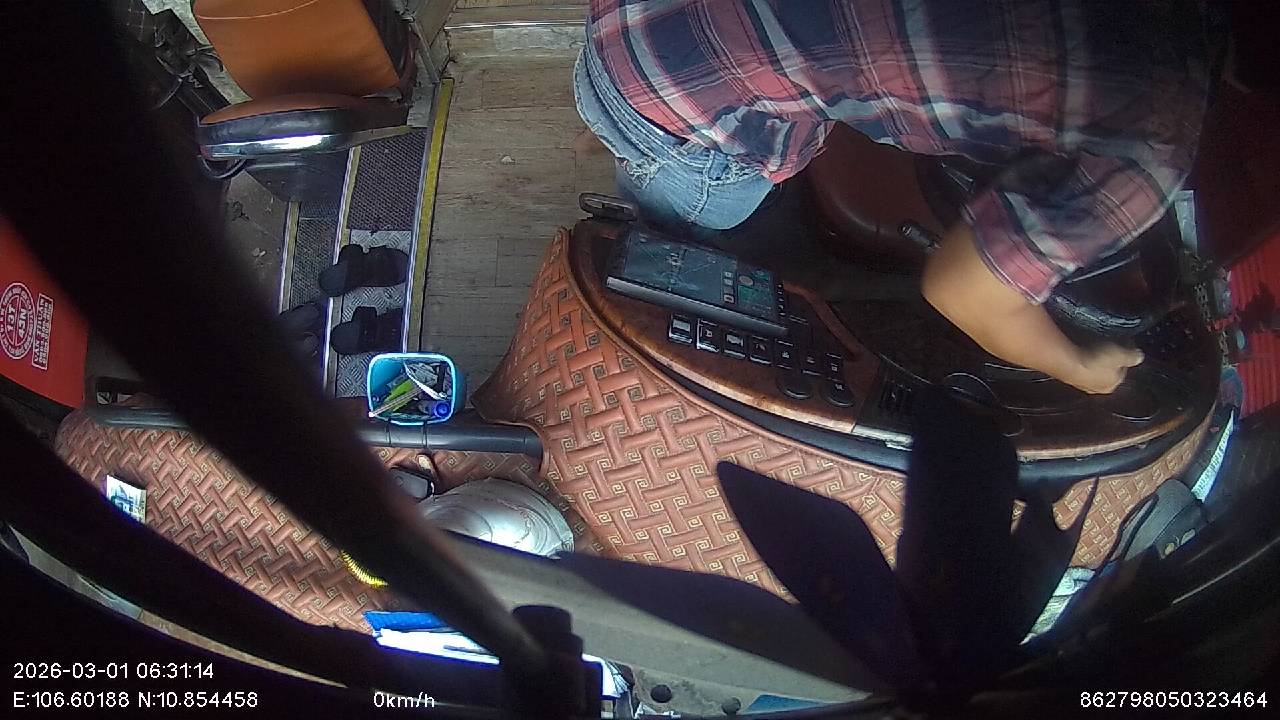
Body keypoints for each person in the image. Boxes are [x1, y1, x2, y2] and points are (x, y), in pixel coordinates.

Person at [574, 0, 1217, 394]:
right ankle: (655, 236)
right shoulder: (1149, 139)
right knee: (700, 225)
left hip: (656, 22)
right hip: (664, 89)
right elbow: (964, 292)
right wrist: (1078, 367)